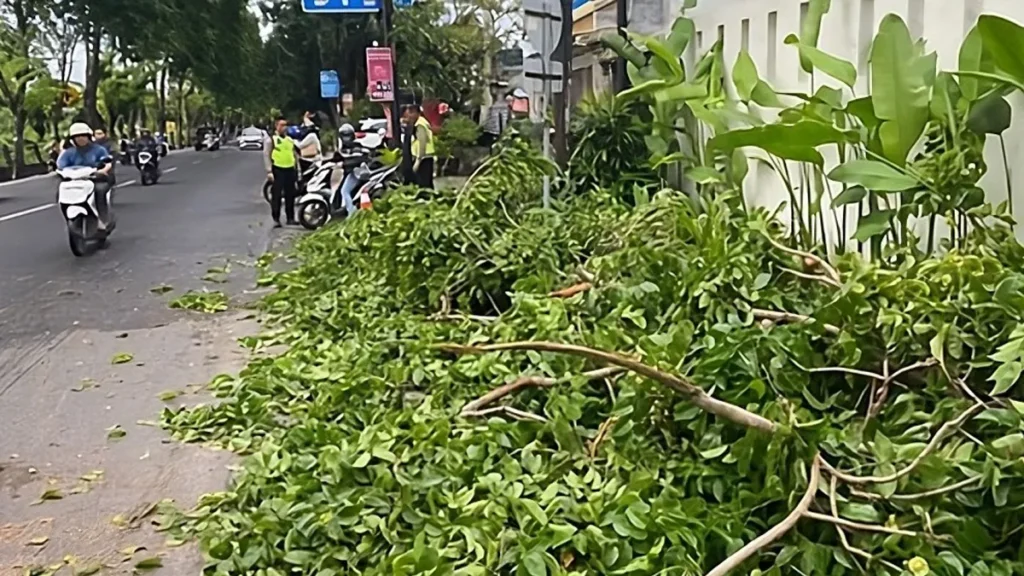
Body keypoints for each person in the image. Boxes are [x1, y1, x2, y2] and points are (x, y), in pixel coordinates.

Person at [56, 122, 114, 228]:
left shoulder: (98, 150)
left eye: (83, 135)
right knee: (63, 191)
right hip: (75, 181)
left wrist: (102, 170)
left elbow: (107, 163)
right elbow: (61, 166)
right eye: (77, 136)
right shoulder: (69, 152)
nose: (80, 139)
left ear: (88, 137)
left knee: (100, 191)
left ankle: (103, 220)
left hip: (95, 179)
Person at [263, 116, 300, 228]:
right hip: (278, 169)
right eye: (282, 125)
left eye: (286, 125)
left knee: (291, 195)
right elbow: (266, 155)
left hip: (290, 169)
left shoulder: (289, 140)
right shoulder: (271, 140)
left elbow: (294, 155)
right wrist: (269, 171)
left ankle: (290, 218)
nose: (284, 128)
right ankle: (276, 219)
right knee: (277, 195)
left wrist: (298, 169)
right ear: (276, 126)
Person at [402, 104, 435, 189]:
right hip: (425, 158)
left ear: (416, 113)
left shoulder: (420, 125)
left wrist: (418, 161)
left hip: (424, 158)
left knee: (424, 184)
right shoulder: (420, 122)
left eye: (410, 113)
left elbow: (422, 143)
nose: (409, 116)